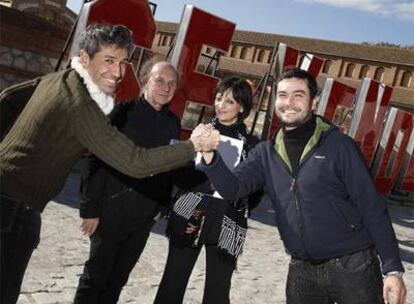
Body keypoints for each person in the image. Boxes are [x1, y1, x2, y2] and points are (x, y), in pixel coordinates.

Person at [0, 23, 219, 304]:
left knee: (115, 282)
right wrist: (193, 146)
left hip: (21, 201)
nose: (117, 72)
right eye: (108, 60)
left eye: (122, 62)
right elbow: (134, 161)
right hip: (18, 210)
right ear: (84, 58)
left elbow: (7, 99)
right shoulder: (90, 107)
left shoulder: (59, 79)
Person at [199, 68, 407, 304]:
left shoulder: (339, 146)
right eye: (283, 95)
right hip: (301, 269)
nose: (289, 102)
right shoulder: (266, 153)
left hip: (353, 266)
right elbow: (232, 188)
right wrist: (210, 156)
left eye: (298, 95)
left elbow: (372, 206)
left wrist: (392, 269)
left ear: (313, 102)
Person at [73, 58, 181, 303]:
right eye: (160, 80)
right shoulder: (123, 112)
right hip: (111, 212)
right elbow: (94, 160)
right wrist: (90, 208)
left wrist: (163, 206)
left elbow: (170, 168)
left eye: (172, 83)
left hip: (143, 219)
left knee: (118, 280)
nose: (166, 87)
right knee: (94, 279)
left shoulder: (173, 124)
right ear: (145, 80)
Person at [154, 76, 262, 304]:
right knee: (173, 283)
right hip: (191, 214)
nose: (221, 105)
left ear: (241, 107)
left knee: (218, 291)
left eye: (229, 101)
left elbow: (256, 188)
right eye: (219, 98)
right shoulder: (199, 133)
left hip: (229, 220)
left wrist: (239, 204)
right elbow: (178, 173)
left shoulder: (253, 145)